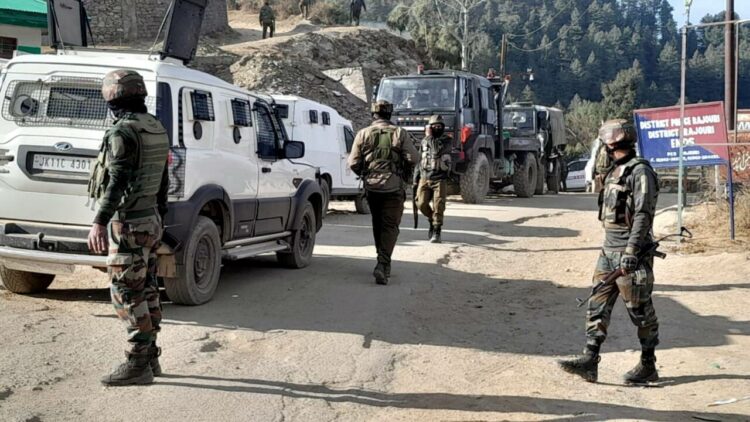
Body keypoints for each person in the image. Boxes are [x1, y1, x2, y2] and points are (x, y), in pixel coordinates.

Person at [558, 119, 660, 385]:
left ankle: (648, 364)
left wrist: (632, 250)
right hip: (608, 250)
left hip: (630, 254)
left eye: (608, 141)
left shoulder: (640, 172)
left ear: (617, 142)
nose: (606, 145)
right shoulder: (615, 171)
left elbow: (643, 215)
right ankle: (590, 360)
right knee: (597, 305)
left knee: (639, 310)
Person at [88, 69, 170, 386]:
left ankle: (137, 362)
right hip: (151, 220)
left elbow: (117, 182)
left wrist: (99, 221)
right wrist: (160, 214)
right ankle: (150, 357)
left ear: (112, 97)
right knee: (147, 288)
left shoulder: (123, 133)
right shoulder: (155, 127)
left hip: (130, 224)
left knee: (126, 291)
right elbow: (163, 180)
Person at [348, 100, 417, 285]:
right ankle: (382, 264)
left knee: (378, 224)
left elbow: (353, 162)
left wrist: (366, 173)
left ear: (373, 114)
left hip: (372, 187)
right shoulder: (400, 133)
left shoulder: (363, 133)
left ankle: (383, 262)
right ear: (390, 114)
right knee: (390, 226)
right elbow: (413, 158)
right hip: (394, 187)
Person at [414, 115, 452, 243]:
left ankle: (437, 231)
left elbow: (436, 151)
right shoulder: (425, 141)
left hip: (439, 178)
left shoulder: (446, 141)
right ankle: (432, 220)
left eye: (439, 126)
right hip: (424, 177)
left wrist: (429, 136)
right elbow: (420, 160)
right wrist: (415, 179)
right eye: (434, 126)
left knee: (438, 206)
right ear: (430, 127)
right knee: (421, 203)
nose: (437, 128)